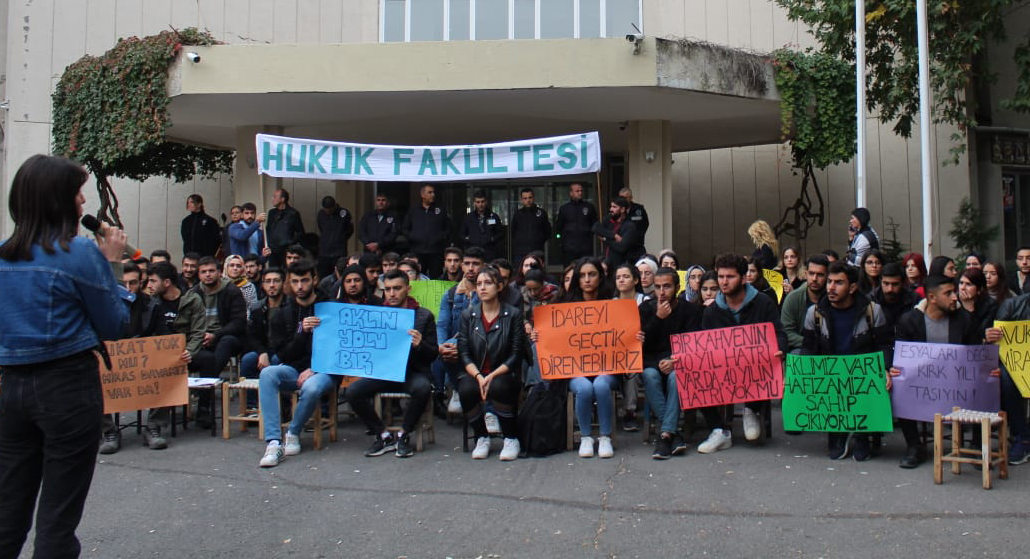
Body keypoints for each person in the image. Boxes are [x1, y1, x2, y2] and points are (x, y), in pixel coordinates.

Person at [0, 154, 129, 559]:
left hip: (10, 388)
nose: (83, 203)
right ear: (58, 200)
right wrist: (112, 264)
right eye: (77, 193)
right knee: (57, 517)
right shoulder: (79, 255)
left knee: (8, 508)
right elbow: (115, 326)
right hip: (68, 387)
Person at [696, 254, 787, 454]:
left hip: (756, 368)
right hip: (722, 369)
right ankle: (719, 430)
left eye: (730, 277)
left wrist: (779, 349)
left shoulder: (763, 303)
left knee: (764, 356)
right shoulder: (712, 311)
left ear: (744, 278)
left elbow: (778, 332)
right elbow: (703, 343)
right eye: (721, 277)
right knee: (695, 372)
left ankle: (751, 409)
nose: (724, 282)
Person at [890, 275, 984, 468]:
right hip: (922, 383)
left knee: (983, 384)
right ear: (932, 298)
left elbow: (976, 354)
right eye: (948, 293)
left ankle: (975, 446)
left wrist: (987, 372)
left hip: (958, 382)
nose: (955, 297)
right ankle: (914, 446)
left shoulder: (965, 320)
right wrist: (894, 370)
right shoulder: (909, 321)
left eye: (954, 292)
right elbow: (901, 357)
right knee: (899, 384)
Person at [802, 261, 893, 461]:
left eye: (839, 283)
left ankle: (862, 434)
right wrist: (801, 373)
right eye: (830, 282)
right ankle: (838, 432)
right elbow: (808, 347)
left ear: (852, 287)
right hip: (831, 375)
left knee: (879, 381)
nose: (831, 288)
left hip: (862, 374)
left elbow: (885, 344)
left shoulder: (872, 311)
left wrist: (885, 369)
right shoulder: (815, 313)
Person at [348, 269, 439, 458]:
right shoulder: (377, 315)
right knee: (353, 392)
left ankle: (404, 434)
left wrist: (420, 345)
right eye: (387, 289)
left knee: (422, 388)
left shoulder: (424, 316)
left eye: (397, 288)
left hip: (413, 373)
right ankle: (383, 435)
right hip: (385, 372)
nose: (392, 293)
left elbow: (433, 354)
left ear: (408, 288)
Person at [259, 260, 338, 467]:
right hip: (294, 368)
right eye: (295, 282)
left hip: (325, 370)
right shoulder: (284, 313)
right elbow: (284, 353)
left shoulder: (331, 309)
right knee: (267, 374)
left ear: (314, 279)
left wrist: (315, 368)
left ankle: (293, 432)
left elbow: (340, 349)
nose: (300, 287)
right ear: (289, 283)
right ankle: (274, 441)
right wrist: (302, 332)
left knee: (311, 387)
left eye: (304, 280)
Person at [458, 266, 527, 461]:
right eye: (479, 284)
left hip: (503, 372)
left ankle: (510, 438)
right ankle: (481, 437)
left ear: (499, 286)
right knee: (465, 389)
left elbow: (516, 353)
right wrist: (479, 376)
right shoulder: (468, 315)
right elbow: (463, 353)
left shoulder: (512, 314)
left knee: (498, 386)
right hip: (476, 372)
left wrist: (491, 376)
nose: (482, 288)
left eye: (487, 283)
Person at [642, 267, 703, 459]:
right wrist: (657, 318)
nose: (661, 292)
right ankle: (672, 433)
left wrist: (675, 360)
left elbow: (694, 343)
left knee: (676, 377)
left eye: (667, 286)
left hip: (680, 361)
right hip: (652, 362)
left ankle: (665, 435)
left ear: (677, 287)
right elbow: (642, 344)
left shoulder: (690, 310)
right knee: (649, 376)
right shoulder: (645, 309)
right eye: (658, 287)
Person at [563, 257, 620, 458]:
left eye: (592, 274)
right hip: (576, 370)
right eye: (583, 275)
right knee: (585, 388)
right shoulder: (565, 306)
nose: (587, 279)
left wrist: (635, 336)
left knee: (601, 385)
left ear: (600, 277)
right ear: (577, 279)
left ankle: (605, 437)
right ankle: (586, 437)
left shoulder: (614, 304)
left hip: (607, 368)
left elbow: (623, 336)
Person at [144, 262, 206, 444]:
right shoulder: (150, 301)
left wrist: (190, 350)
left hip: (181, 353)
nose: (149, 285)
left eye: (153, 281)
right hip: (154, 353)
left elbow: (198, 332)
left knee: (173, 371)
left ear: (167, 282)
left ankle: (154, 426)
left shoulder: (192, 300)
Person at [190, 256, 247, 419]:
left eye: (211, 271)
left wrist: (216, 335)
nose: (208, 275)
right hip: (200, 339)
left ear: (219, 272)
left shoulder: (231, 291)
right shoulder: (193, 293)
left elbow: (238, 323)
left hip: (227, 337)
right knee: (203, 357)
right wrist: (199, 336)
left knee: (225, 343)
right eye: (203, 272)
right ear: (199, 274)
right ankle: (204, 402)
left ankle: (204, 389)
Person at [436, 247, 486, 415]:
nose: (471, 268)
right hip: (456, 345)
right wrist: (441, 345)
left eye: (475, 264)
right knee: (446, 348)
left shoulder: (488, 291)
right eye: (467, 263)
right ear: (462, 266)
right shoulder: (451, 294)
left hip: (483, 343)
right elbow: (442, 324)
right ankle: (456, 390)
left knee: (453, 345)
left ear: (483, 266)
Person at [986, 287, 1030, 464]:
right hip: (1019, 364)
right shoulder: (1012, 306)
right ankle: (1023, 437)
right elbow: (999, 345)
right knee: (1005, 378)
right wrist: (990, 336)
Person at [612, 263, 647, 430]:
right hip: (614, 354)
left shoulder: (645, 301)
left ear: (635, 280)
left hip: (640, 352)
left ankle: (629, 412)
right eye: (618, 277)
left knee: (631, 368)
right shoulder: (610, 304)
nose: (621, 280)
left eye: (625, 276)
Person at [240, 268, 286, 390]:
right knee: (248, 359)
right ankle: (251, 404)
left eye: (276, 281)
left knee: (276, 361)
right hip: (265, 349)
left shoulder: (291, 306)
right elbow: (252, 335)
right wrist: (262, 352)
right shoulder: (257, 308)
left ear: (283, 283)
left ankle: (281, 403)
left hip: (285, 351)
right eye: (268, 281)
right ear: (263, 285)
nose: (272, 285)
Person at [780, 254, 830, 352]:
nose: (814, 278)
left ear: (827, 276)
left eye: (820, 275)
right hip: (802, 347)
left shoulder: (833, 297)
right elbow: (786, 332)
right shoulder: (793, 298)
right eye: (811, 273)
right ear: (806, 274)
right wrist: (813, 343)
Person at [401, 184, 451, 279]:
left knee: (436, 278)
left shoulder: (440, 210)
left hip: (436, 251)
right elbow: (405, 228)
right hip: (418, 251)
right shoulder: (413, 211)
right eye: (430, 192)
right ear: (422, 195)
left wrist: (441, 237)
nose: (433, 194)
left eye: (433, 192)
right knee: (418, 276)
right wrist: (414, 237)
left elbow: (448, 228)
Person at [593, 197, 644, 269]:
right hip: (606, 264)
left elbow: (621, 247)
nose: (611, 209)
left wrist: (605, 239)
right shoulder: (609, 219)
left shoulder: (629, 226)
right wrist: (613, 235)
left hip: (620, 265)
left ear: (622, 209)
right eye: (611, 206)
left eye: (614, 207)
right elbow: (595, 228)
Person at [554, 182, 598, 265]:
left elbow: (595, 225)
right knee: (569, 270)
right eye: (577, 191)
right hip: (569, 248)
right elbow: (559, 227)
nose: (580, 193)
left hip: (586, 247)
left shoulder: (589, 207)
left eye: (581, 191)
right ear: (571, 193)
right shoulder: (564, 208)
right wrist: (562, 239)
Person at [510, 187, 551, 265]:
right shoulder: (518, 214)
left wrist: (539, 240)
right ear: (521, 200)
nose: (528, 200)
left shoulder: (541, 213)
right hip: (521, 252)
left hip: (537, 250)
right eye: (525, 198)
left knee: (538, 274)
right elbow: (513, 232)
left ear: (533, 198)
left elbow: (547, 231)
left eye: (530, 197)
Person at [316, 195, 354, 281]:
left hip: (339, 251)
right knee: (323, 276)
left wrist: (341, 238)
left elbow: (349, 230)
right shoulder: (321, 214)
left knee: (339, 275)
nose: (328, 211)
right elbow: (321, 228)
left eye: (330, 208)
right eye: (326, 209)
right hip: (324, 251)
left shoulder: (344, 213)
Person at [266, 188, 305, 268]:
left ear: (282, 199)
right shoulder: (271, 213)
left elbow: (300, 233)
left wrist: (289, 242)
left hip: (286, 251)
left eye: (275, 197)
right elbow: (268, 229)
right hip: (273, 251)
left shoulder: (293, 214)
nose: (272, 199)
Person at [461, 189, 503, 261]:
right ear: (474, 203)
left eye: (482, 201)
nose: (480, 204)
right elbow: (461, 234)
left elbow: (500, 233)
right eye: (478, 202)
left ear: (486, 202)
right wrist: (470, 239)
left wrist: (492, 239)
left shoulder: (494, 216)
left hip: (490, 253)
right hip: (473, 253)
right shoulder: (468, 217)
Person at [959, 267, 999, 334]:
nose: (962, 288)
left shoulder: (990, 305)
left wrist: (970, 309)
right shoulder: (953, 300)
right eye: (961, 283)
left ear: (979, 289)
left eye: (968, 284)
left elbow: (980, 332)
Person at [181, 193, 221, 258]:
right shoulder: (186, 221)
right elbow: (185, 239)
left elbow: (216, 240)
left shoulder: (210, 221)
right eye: (188, 203)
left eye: (192, 202)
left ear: (199, 204)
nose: (189, 205)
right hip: (189, 256)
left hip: (205, 256)